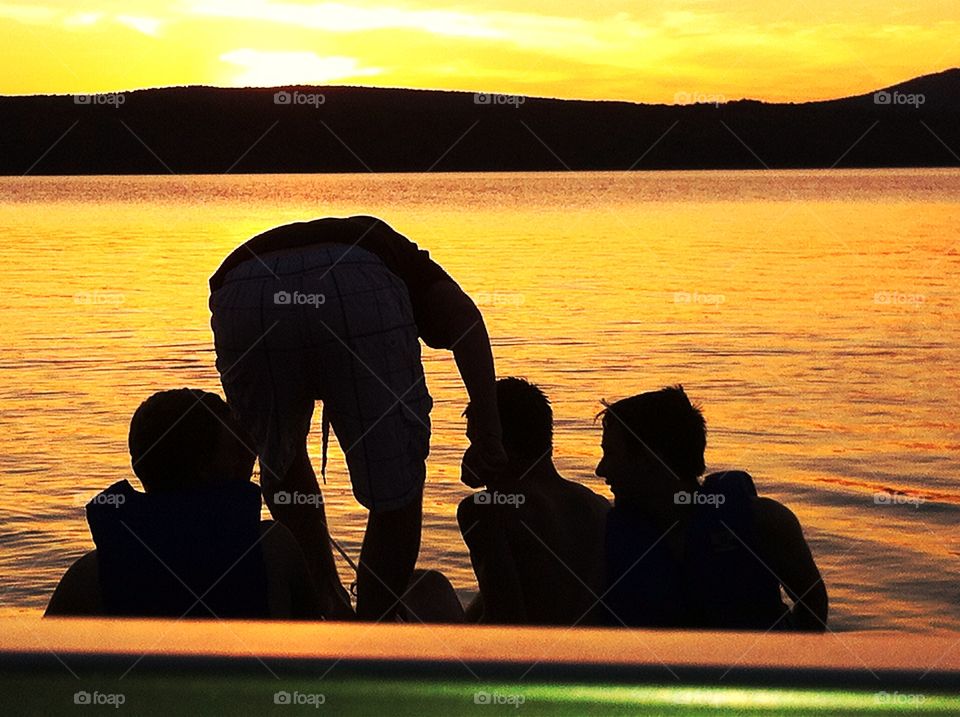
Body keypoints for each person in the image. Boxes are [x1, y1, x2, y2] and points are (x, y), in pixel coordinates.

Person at [209, 216, 506, 621]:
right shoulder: (408, 264)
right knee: (396, 492)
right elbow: (464, 320)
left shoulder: (386, 251)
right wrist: (488, 429)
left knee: (279, 456)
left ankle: (324, 600)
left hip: (242, 288)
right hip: (356, 280)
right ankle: (374, 626)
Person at [46, 389, 319, 619]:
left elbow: (40, 673)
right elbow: (319, 648)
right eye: (238, 443)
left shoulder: (89, 575)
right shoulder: (274, 548)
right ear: (205, 467)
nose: (252, 451)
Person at [596, 385, 828, 631]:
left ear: (651, 460)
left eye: (611, 454)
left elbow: (812, 603)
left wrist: (788, 662)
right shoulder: (601, 534)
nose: (601, 469)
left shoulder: (764, 522)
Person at [458, 378, 610, 625]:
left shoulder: (484, 511)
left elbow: (505, 620)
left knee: (426, 588)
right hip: (589, 655)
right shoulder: (598, 506)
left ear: (493, 443)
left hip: (528, 657)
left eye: (473, 441)